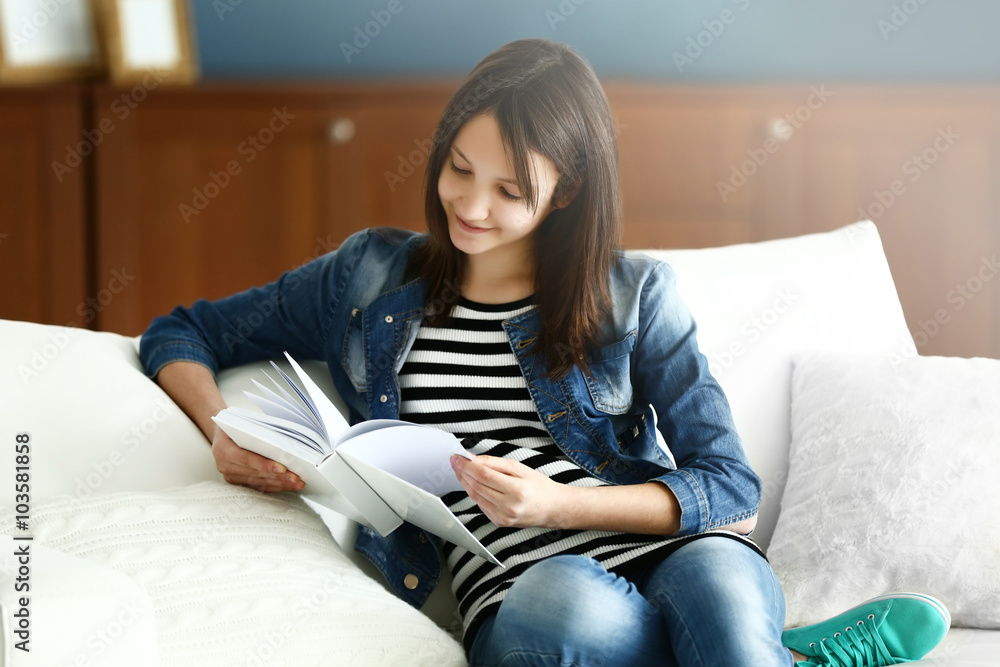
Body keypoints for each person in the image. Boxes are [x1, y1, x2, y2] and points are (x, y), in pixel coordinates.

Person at [141, 39, 949, 667]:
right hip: (522, 595)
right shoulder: (366, 275)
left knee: (718, 587)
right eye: (459, 169)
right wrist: (222, 432)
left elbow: (730, 487)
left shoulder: (635, 294)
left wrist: (560, 506)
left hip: (668, 554)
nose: (470, 205)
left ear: (565, 192)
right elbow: (180, 330)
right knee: (566, 605)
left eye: (510, 191)